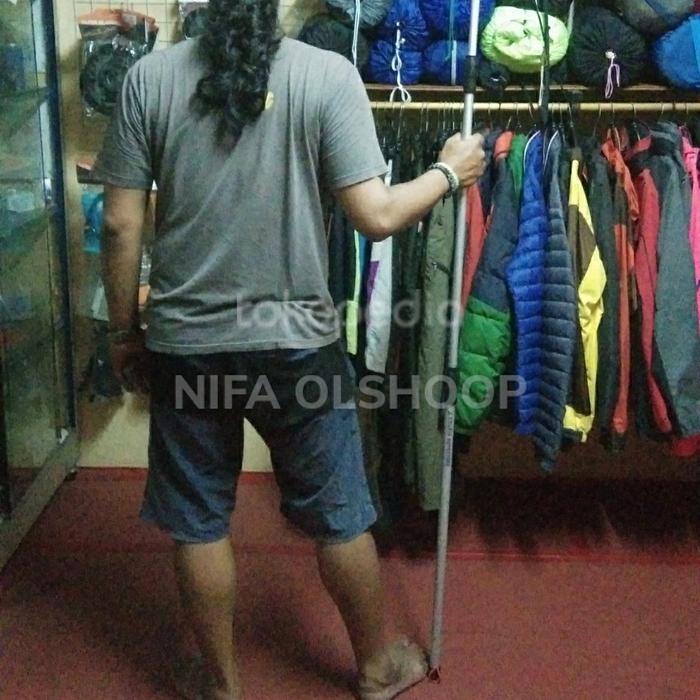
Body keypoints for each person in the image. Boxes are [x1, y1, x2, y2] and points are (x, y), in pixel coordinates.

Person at [95, 1, 486, 698]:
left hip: (188, 345)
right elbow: (377, 215)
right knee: (340, 516)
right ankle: (376, 668)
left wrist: (125, 332)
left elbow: (121, 226)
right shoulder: (326, 75)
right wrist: (449, 172)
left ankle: (222, 685)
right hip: (297, 349)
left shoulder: (147, 80)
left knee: (199, 520)